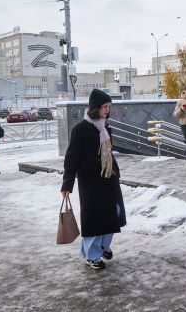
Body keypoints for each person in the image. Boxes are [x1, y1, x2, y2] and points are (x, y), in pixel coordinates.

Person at [61, 89, 126, 270]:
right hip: (90, 181)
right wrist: (67, 184)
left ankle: (103, 246)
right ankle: (92, 254)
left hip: (108, 178)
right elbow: (71, 157)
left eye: (108, 107)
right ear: (95, 108)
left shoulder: (104, 127)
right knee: (94, 219)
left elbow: (109, 154)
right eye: (104, 106)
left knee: (114, 213)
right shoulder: (80, 129)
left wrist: (116, 172)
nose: (107, 110)